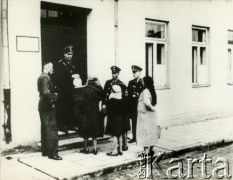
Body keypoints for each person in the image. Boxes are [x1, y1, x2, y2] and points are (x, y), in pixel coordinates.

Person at [73, 76, 105, 155]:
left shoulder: (83, 90)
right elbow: (102, 98)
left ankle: (86, 148)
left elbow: (79, 102)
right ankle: (95, 149)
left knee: (85, 132)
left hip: (85, 114)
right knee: (94, 132)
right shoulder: (97, 90)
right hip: (95, 113)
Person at [37, 61, 62, 160]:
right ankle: (53, 154)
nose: (53, 69)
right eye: (51, 67)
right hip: (48, 106)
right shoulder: (45, 77)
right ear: (47, 67)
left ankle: (45, 151)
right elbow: (45, 93)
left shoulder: (41, 76)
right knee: (52, 130)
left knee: (45, 130)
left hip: (43, 106)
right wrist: (54, 98)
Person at [102, 66, 130, 151]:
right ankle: (119, 147)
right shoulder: (108, 83)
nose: (113, 75)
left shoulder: (122, 84)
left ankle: (124, 145)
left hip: (120, 109)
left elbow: (125, 98)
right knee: (115, 127)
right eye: (112, 73)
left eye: (115, 73)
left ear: (118, 73)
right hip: (111, 107)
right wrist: (104, 104)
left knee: (123, 127)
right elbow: (105, 95)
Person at [54, 45, 79, 133]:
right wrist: (71, 76)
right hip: (62, 91)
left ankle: (70, 125)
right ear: (64, 54)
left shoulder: (71, 64)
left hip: (70, 90)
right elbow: (59, 78)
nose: (71, 56)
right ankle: (62, 125)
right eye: (69, 54)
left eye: (72, 54)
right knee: (62, 108)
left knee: (70, 107)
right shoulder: (59, 64)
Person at [136, 76, 158, 156]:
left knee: (144, 132)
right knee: (151, 131)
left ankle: (146, 151)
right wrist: (153, 108)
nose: (142, 82)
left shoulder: (145, 91)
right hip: (150, 115)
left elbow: (147, 102)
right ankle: (151, 148)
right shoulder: (152, 90)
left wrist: (152, 108)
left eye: (143, 81)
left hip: (144, 115)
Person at [105, 85, 125, 156]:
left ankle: (114, 151)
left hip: (113, 119)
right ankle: (120, 150)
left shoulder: (112, 100)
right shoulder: (121, 99)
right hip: (120, 118)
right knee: (119, 134)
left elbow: (108, 110)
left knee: (114, 135)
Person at [128, 65, 144, 143]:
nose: (134, 74)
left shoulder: (143, 83)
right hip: (133, 106)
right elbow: (129, 95)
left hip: (140, 105)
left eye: (135, 72)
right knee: (134, 121)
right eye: (133, 72)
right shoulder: (130, 83)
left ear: (139, 72)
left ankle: (140, 137)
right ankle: (134, 137)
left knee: (140, 122)